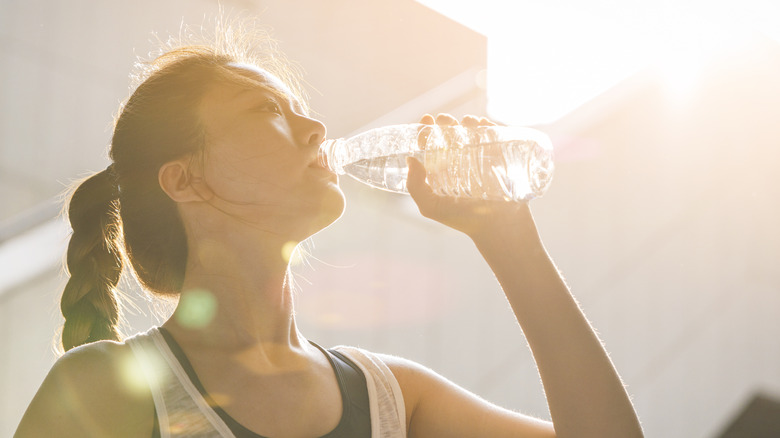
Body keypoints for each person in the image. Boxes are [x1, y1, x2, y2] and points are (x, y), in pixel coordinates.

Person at [14, 25, 643, 438]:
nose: (316, 128)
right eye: (267, 110)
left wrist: (512, 244)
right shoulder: (103, 389)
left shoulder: (391, 398)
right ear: (184, 180)